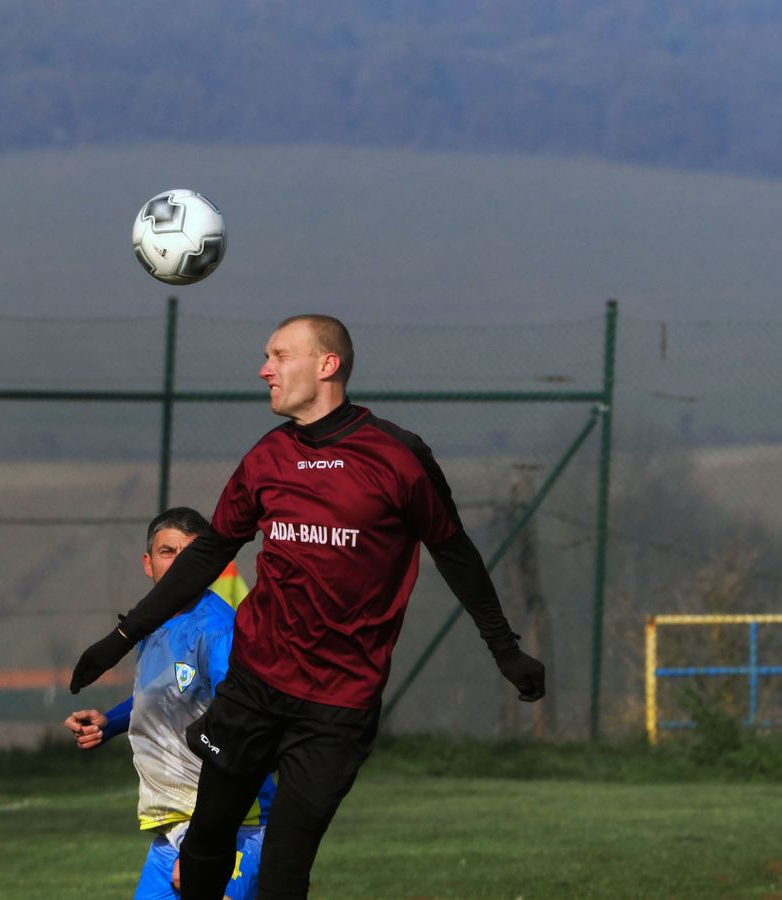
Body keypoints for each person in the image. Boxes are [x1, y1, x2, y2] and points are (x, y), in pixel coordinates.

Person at [70, 315, 546, 899]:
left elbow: (455, 553)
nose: (264, 369)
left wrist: (505, 648)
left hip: (337, 706)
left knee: (284, 873)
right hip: (254, 688)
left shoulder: (398, 457)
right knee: (205, 846)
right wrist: (119, 640)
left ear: (327, 365)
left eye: (279, 355)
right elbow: (209, 553)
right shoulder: (268, 457)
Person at [64, 506, 275, 900]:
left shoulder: (216, 629)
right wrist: (109, 722)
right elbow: (169, 694)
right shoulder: (151, 623)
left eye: (191, 555)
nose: (179, 565)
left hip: (233, 824)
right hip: (176, 828)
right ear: (148, 563)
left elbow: (239, 723)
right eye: (167, 552)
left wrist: (204, 846)